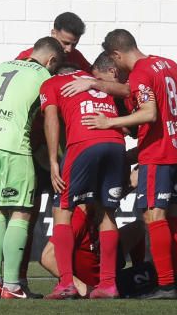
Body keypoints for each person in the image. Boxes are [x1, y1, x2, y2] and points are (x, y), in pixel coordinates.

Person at [85, 29, 177, 299]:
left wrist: (109, 123)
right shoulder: (167, 64)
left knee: (154, 216)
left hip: (158, 152)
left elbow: (149, 114)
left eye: (112, 61)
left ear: (116, 55)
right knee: (166, 216)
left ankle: (166, 285)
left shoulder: (141, 72)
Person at [0, 37, 64, 299]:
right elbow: (50, 118)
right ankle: (12, 286)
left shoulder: (3, 67)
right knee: (22, 212)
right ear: (50, 60)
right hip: (14, 147)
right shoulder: (43, 76)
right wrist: (53, 161)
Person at [14, 11, 92, 294]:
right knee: (27, 212)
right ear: (53, 32)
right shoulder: (28, 59)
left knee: (67, 212)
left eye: (74, 44)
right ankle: (17, 279)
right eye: (66, 43)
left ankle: (73, 279)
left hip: (65, 149)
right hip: (30, 146)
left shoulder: (78, 61)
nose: (69, 50)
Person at [40, 54, 127, 299]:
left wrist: (53, 161)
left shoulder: (52, 83)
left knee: (63, 209)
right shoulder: (95, 82)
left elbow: (51, 119)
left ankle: (66, 282)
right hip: (115, 143)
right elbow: (128, 91)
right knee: (107, 212)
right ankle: (108, 285)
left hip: (83, 144)